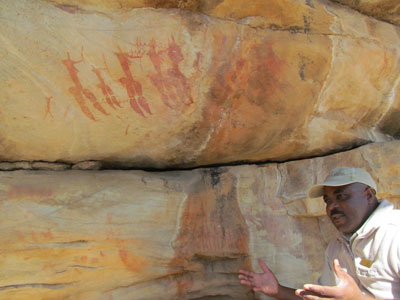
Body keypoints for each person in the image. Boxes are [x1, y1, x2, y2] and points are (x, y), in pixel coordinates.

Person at [238, 167, 400, 299]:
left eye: (341, 196)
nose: (331, 207)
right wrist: (278, 290)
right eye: (327, 200)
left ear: (369, 195)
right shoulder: (337, 246)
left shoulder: (394, 234)